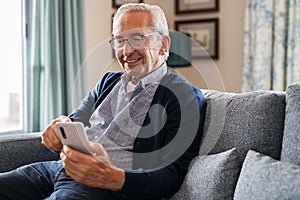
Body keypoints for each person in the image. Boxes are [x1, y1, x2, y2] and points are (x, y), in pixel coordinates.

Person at [0, 3, 206, 200]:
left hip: (107, 189)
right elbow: (73, 122)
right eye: (119, 41)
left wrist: (112, 178)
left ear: (162, 45)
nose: (126, 51)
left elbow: (172, 176)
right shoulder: (109, 81)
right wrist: (57, 129)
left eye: (136, 38)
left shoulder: (183, 97)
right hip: (58, 170)